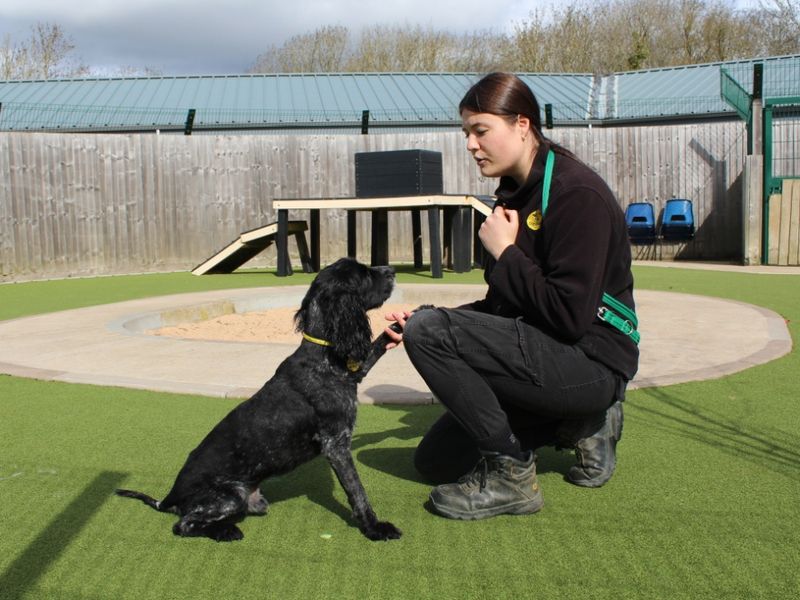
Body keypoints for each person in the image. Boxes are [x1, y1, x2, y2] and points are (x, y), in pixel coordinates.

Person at [384, 72, 639, 521]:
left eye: (480, 130)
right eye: (466, 132)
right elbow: (501, 308)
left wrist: (504, 251)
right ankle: (576, 424)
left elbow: (569, 317)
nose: (470, 144)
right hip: (541, 353)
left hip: (591, 360)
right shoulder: (513, 198)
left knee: (430, 333)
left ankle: (513, 477)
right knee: (435, 462)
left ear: (522, 125)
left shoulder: (577, 194)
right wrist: (431, 316)